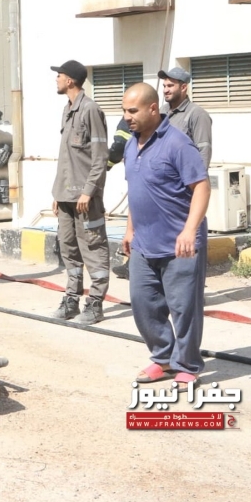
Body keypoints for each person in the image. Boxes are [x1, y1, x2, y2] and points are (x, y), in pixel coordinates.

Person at [121, 83, 210, 390]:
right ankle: (163, 357)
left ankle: (187, 365)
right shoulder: (131, 144)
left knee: (184, 309)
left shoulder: (177, 143)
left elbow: (201, 187)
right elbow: (137, 189)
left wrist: (189, 230)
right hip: (144, 243)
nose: (127, 117)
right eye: (124, 110)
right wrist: (130, 228)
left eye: (133, 111)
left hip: (179, 245)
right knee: (143, 304)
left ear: (152, 108)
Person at [49, 60, 110, 324]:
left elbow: (100, 157)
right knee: (69, 249)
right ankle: (71, 300)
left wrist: (88, 191)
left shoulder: (90, 110)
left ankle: (95, 304)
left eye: (59, 75)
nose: (56, 79)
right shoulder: (67, 110)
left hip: (85, 198)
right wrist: (58, 193)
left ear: (70, 80)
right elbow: (67, 157)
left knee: (93, 248)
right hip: (66, 195)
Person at [158, 67, 212, 168]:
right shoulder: (162, 111)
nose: (165, 90)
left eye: (170, 86)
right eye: (164, 86)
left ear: (183, 88)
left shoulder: (198, 114)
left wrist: (199, 177)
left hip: (185, 175)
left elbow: (204, 151)